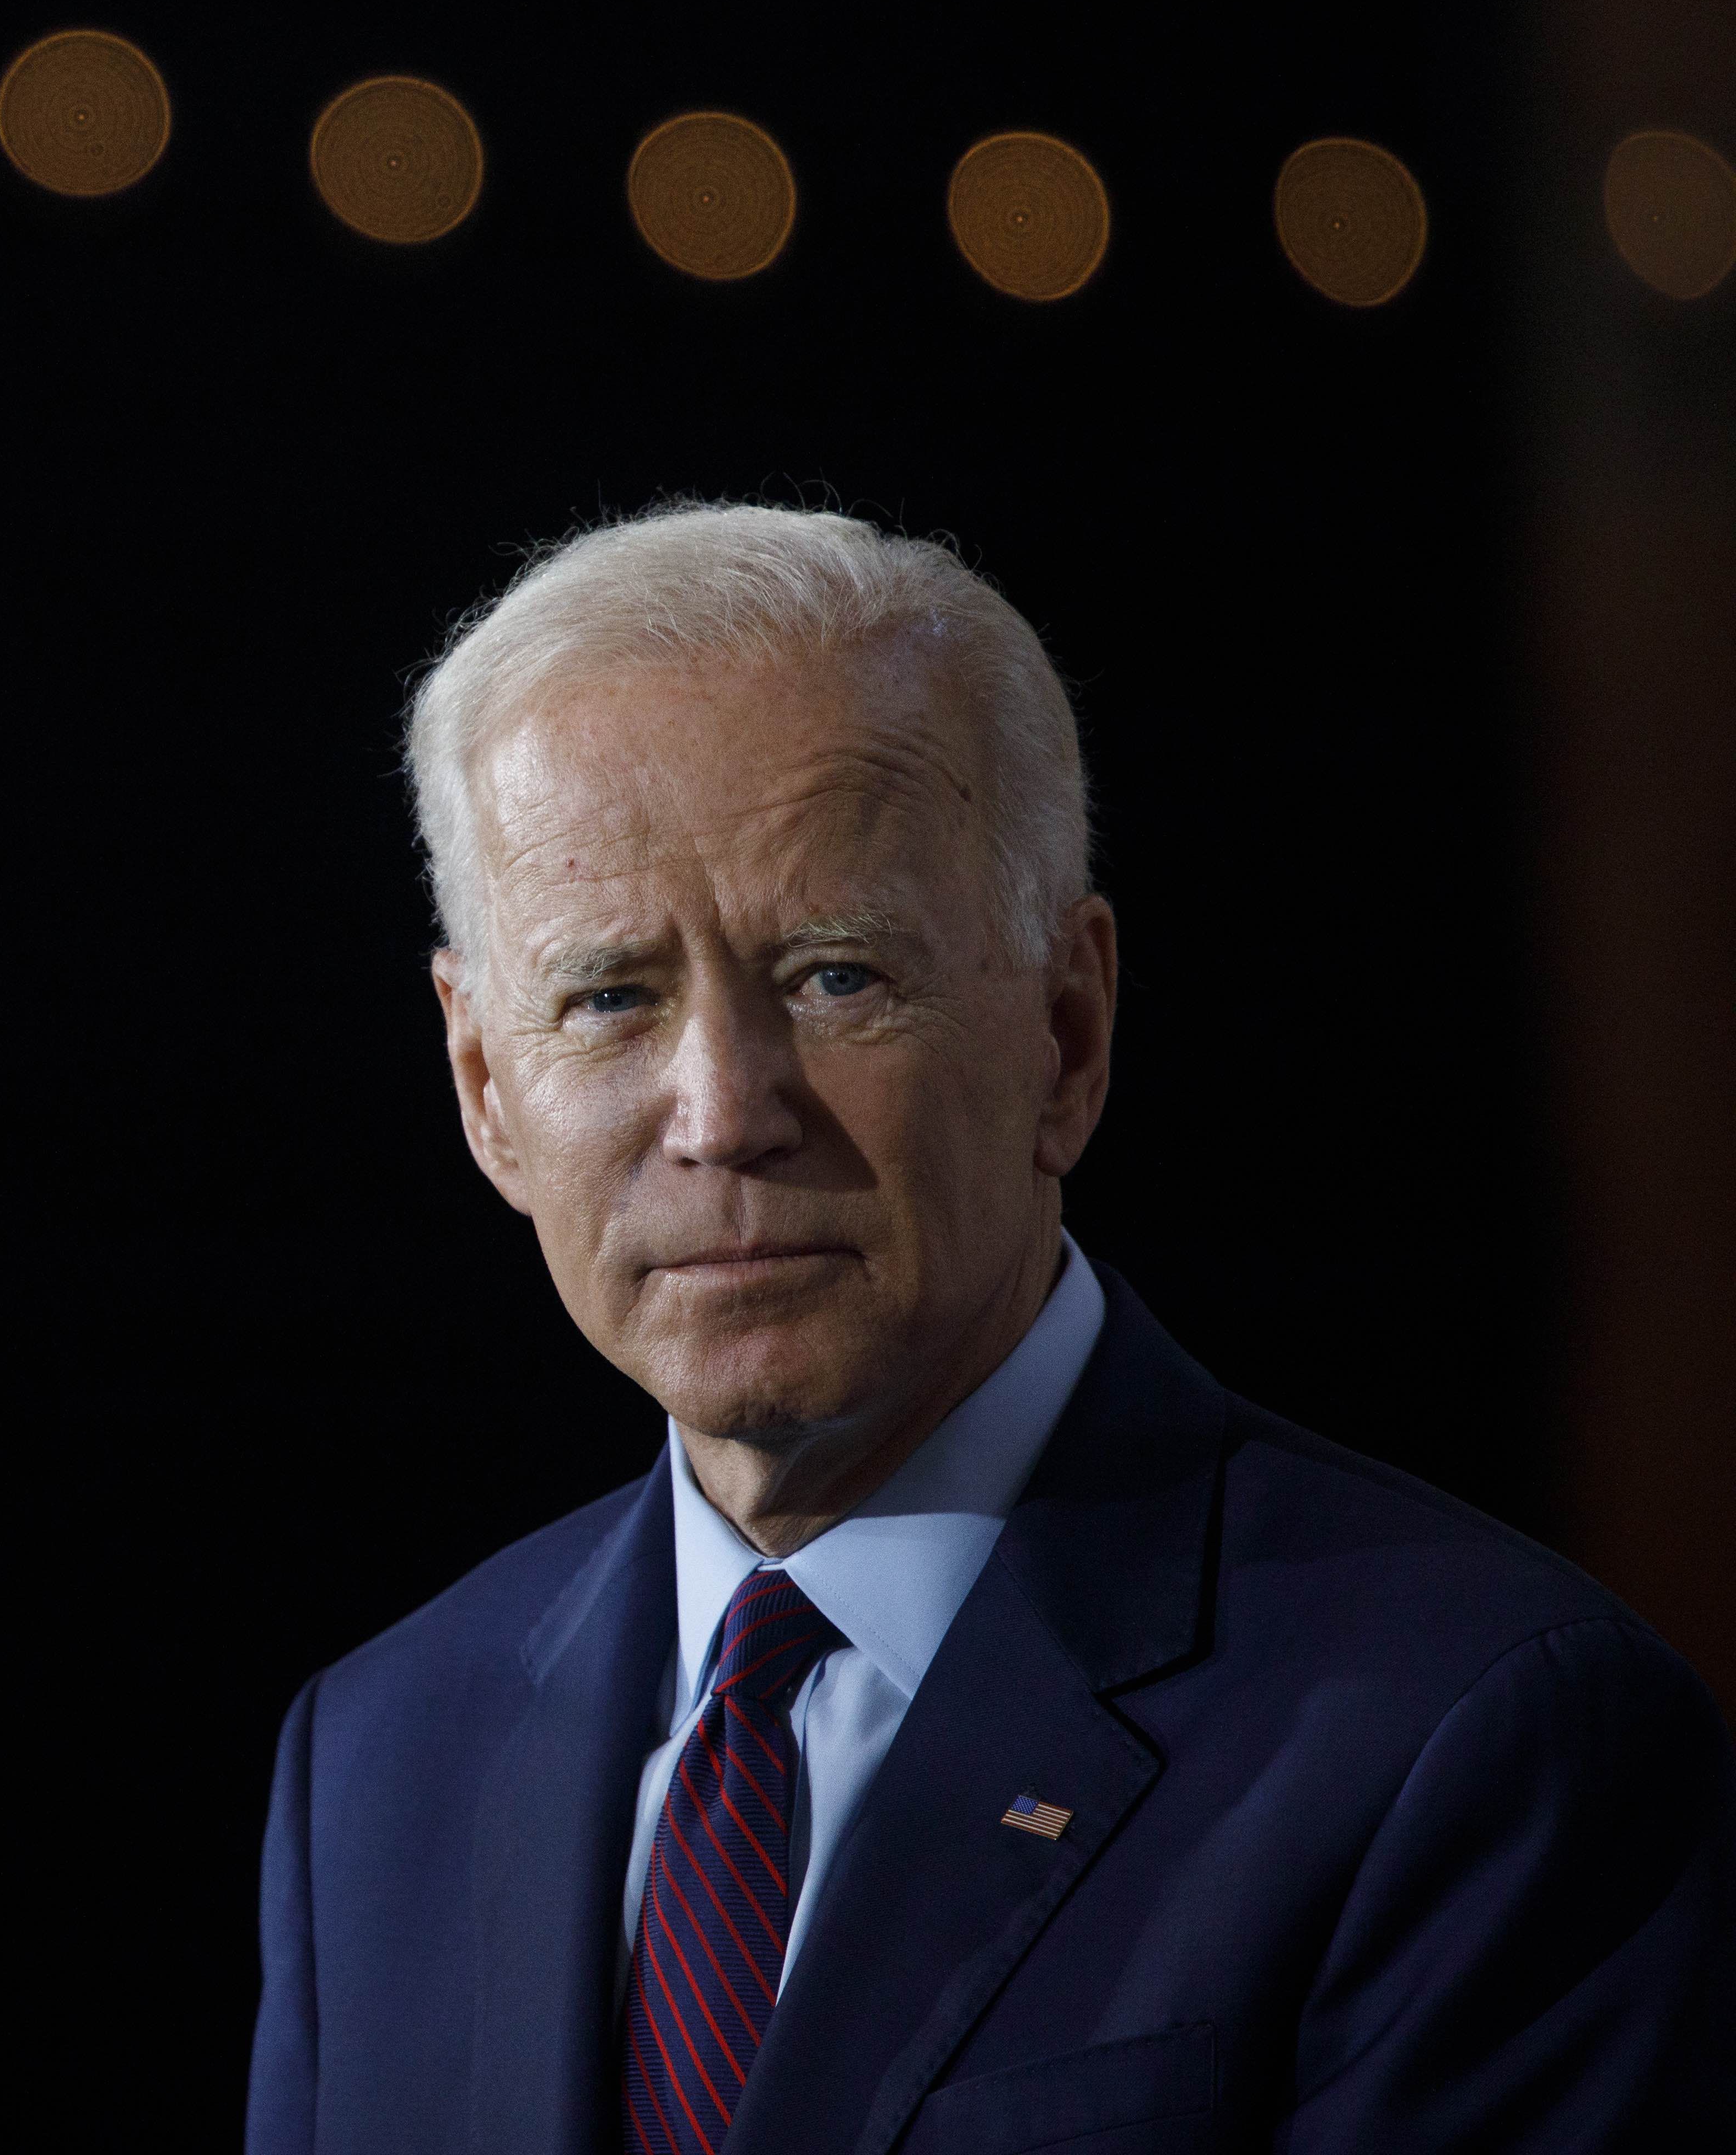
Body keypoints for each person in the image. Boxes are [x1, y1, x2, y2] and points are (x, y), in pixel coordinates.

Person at [246, 503, 1735, 2155]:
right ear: (484, 1090)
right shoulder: (378, 1765)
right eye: (610, 998)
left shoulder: (1478, 1748)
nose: (725, 1111)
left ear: (1069, 1033)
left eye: (835, 977)